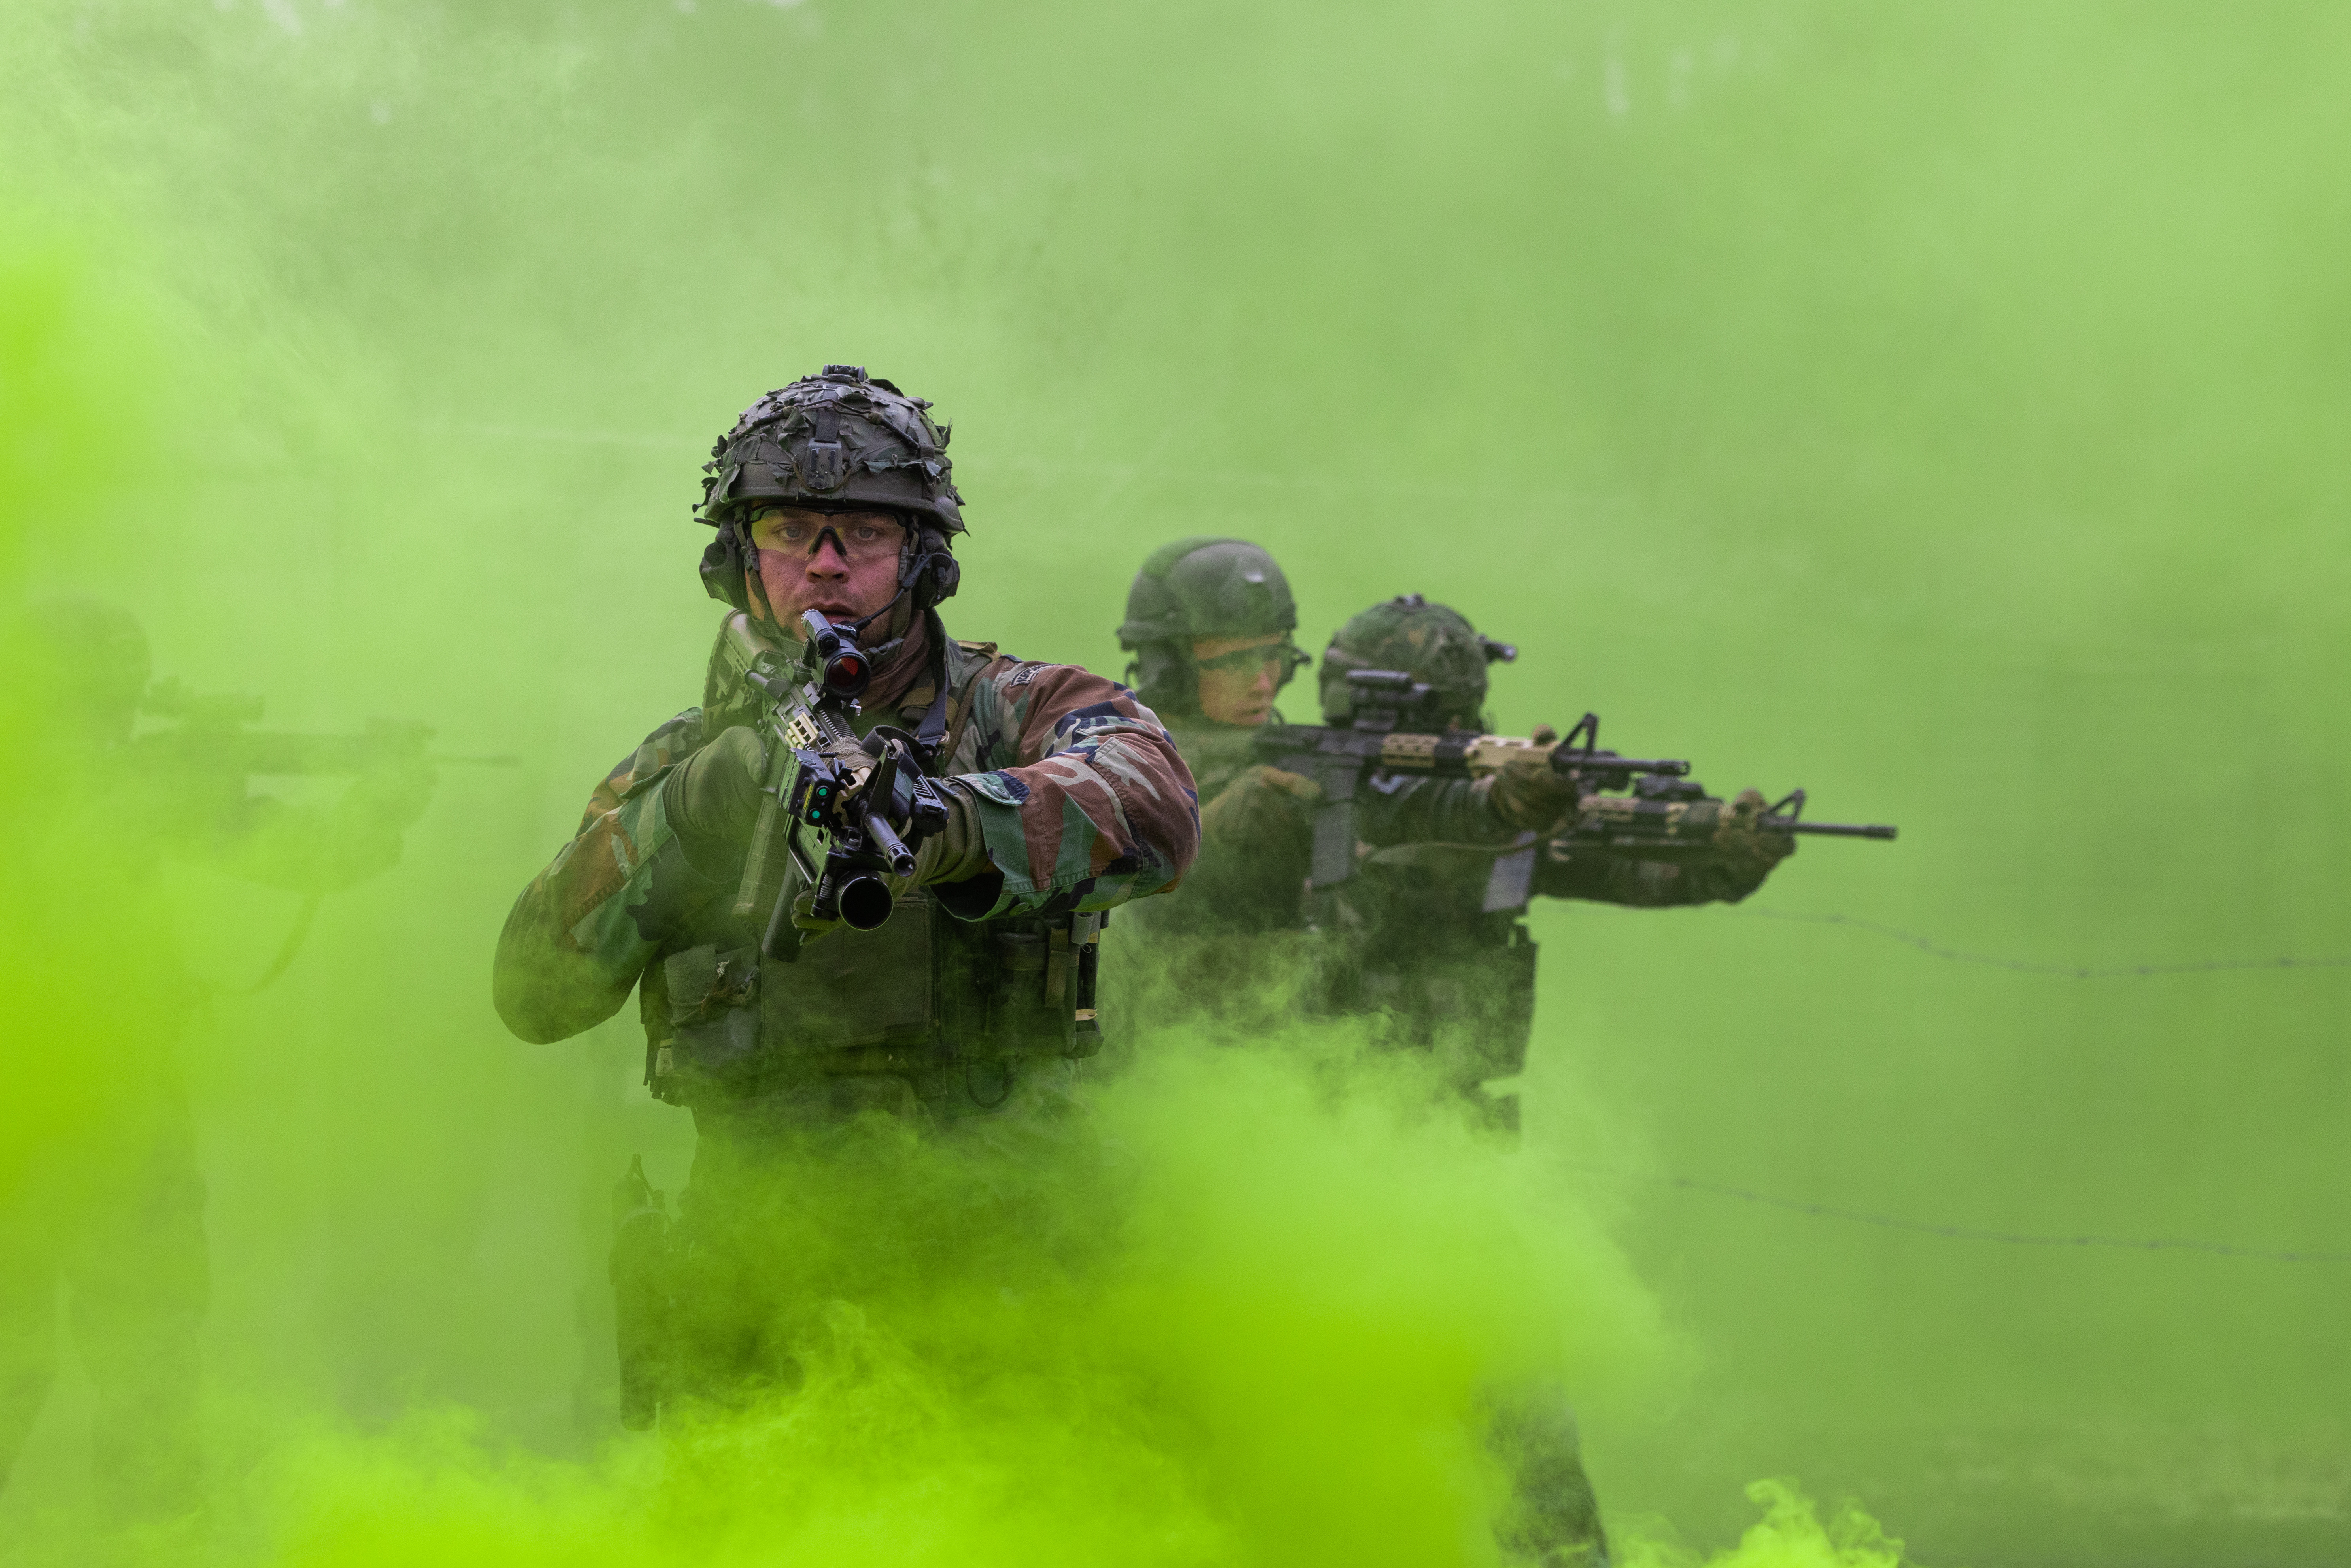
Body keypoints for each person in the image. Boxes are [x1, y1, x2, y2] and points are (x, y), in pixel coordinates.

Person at [490, 366, 1198, 1422]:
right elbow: (534, 989)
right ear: (738, 557)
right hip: (755, 1307)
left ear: (920, 556)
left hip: (1003, 1295)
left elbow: (1154, 801)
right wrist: (697, 807)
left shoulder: (1019, 708)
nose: (824, 565)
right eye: (787, 530)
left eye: (861, 532)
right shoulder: (683, 762)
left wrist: (954, 824)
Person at [0, 599, 434, 1523]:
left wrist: (382, 802)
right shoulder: (72, 790)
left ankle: (148, 1536)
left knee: (148, 1356)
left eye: (119, 703)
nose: (111, 724)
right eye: (91, 705)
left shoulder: (131, 784)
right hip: (50, 1118)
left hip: (120, 1112)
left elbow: (310, 855)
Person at [1306, 594, 1793, 1130]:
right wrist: (1500, 805)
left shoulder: (1507, 819)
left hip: (1451, 1122)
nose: (1451, 726)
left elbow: (1624, 865)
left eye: (1457, 714)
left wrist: (1725, 854)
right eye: (1432, 716)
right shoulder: (1304, 794)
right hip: (1309, 1108)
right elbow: (1418, 815)